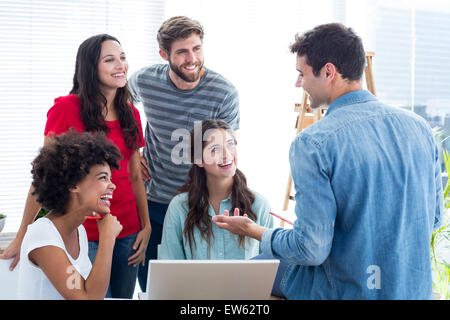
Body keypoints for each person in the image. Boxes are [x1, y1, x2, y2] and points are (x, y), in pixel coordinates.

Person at [212, 23, 444, 299]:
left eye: (302, 74)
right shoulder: (420, 128)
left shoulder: (313, 143)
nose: (299, 83)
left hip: (346, 290)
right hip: (412, 291)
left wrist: (256, 231)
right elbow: (434, 219)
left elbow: (310, 249)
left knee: (249, 273)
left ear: (329, 72)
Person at [1, 34, 150, 299]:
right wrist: (23, 233)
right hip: (86, 231)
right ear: (90, 68)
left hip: (126, 228)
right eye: (110, 60)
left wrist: (145, 225)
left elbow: (135, 177)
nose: (121, 66)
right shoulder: (66, 108)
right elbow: (45, 174)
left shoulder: (132, 113)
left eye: (123, 58)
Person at [128, 16, 240, 290]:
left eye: (197, 48)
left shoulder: (224, 92)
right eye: (182, 52)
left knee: (199, 287)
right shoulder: (144, 80)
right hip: (153, 201)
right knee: (155, 286)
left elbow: (228, 152)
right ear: (164, 54)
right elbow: (119, 106)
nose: (192, 58)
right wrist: (131, 152)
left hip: (198, 202)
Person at [17, 130, 123, 299]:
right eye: (103, 178)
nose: (112, 186)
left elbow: (90, 291)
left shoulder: (79, 231)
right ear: (74, 185)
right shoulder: (43, 234)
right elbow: (89, 298)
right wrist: (107, 240)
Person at [159, 120, 273, 259]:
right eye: (215, 149)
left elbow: (270, 265)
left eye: (230, 144)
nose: (227, 155)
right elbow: (170, 265)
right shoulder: (180, 207)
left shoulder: (259, 205)